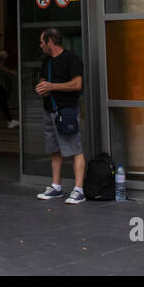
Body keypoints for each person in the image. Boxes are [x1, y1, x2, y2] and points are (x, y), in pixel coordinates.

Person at [34, 27, 85, 205]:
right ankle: (56, 186)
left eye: (42, 42)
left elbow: (77, 84)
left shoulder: (72, 59)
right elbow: (43, 82)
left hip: (67, 111)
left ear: (50, 42)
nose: (40, 46)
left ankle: (79, 189)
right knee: (54, 150)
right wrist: (42, 88)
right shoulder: (47, 62)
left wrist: (52, 87)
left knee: (75, 150)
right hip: (49, 111)